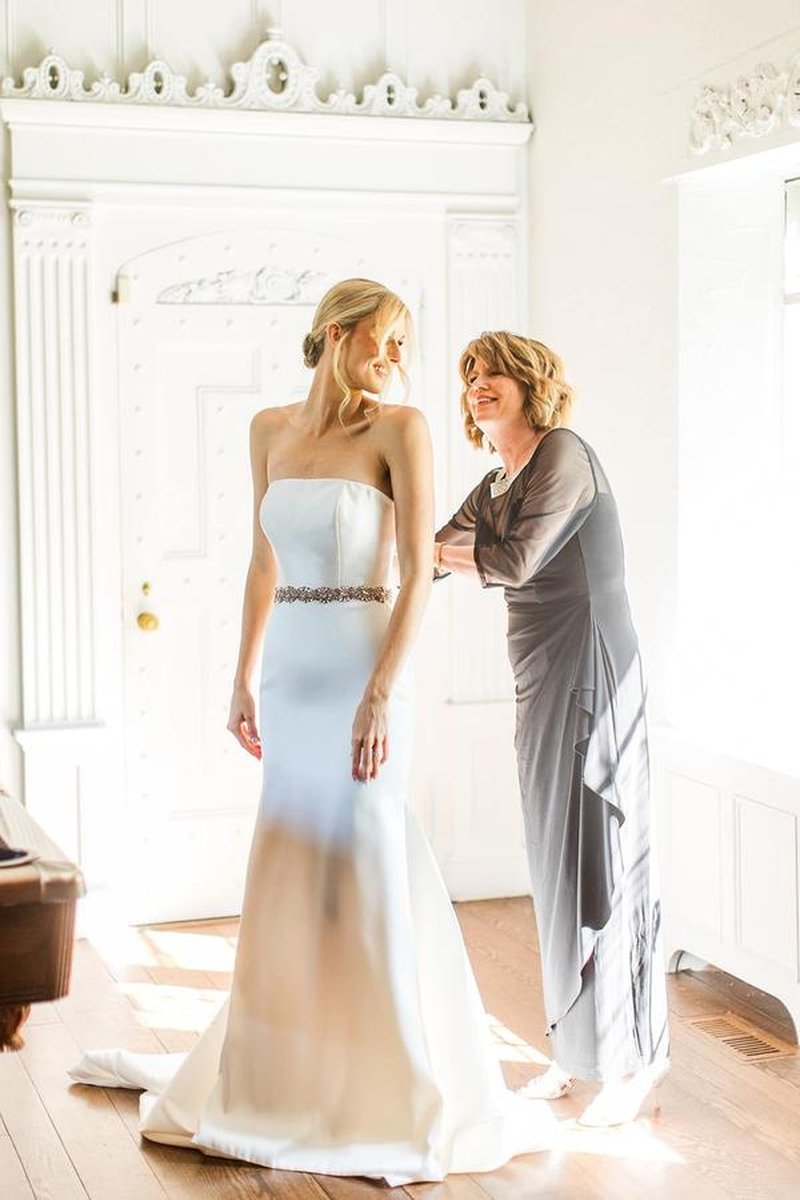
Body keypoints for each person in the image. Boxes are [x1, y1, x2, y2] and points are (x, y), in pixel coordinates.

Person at [70, 283, 552, 1183]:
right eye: (386, 337)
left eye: (405, 342)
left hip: (366, 668)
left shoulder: (400, 428)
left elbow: (417, 578)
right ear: (339, 332)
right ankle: (283, 1074)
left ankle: (386, 1089)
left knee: (367, 853)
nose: (397, 356)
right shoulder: (267, 429)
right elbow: (261, 562)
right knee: (294, 866)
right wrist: (242, 676)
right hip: (291, 673)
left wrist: (380, 693)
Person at [434, 331, 669, 1127]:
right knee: (556, 861)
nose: (479, 384)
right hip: (538, 678)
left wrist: (466, 549)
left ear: (531, 381)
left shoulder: (563, 453)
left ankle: (636, 1060)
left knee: (603, 854)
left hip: (592, 668)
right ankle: (577, 1053)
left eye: (494, 371)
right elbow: (434, 552)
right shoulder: (497, 480)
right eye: (469, 374)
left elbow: (517, 561)